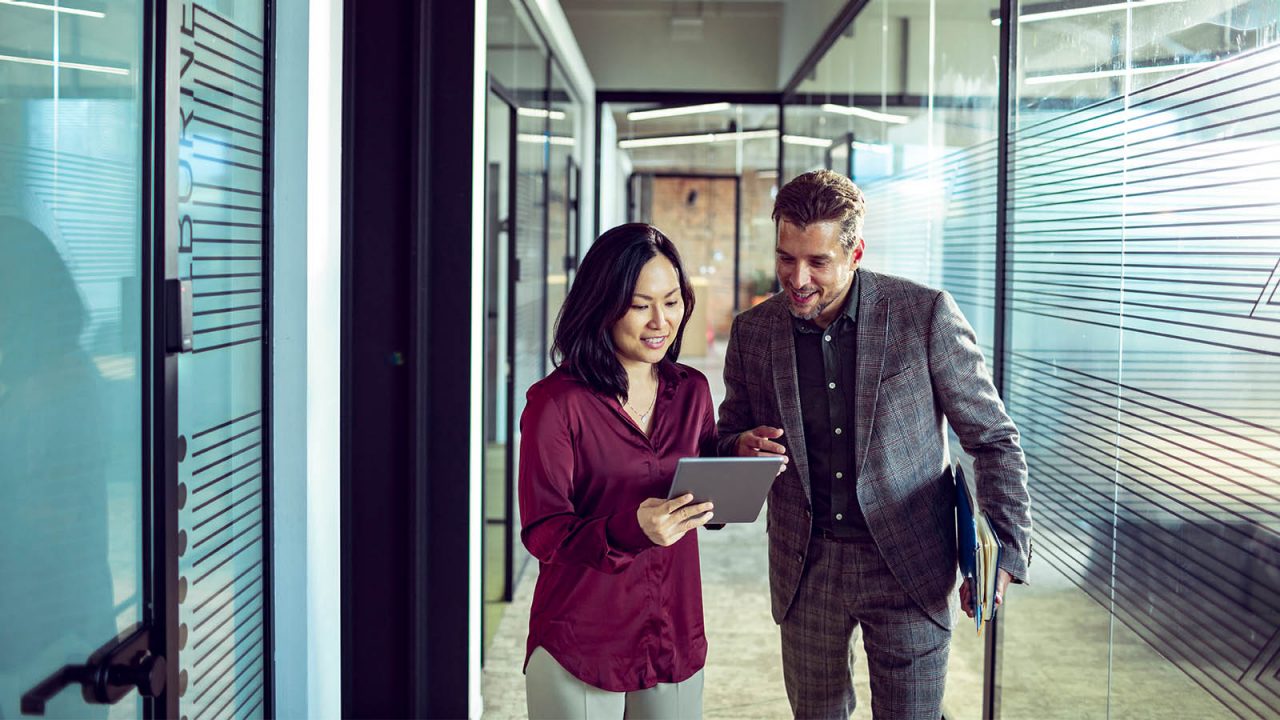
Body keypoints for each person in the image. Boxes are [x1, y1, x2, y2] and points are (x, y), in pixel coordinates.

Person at [716, 170, 1033, 719]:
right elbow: (726, 436)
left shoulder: (924, 314)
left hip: (909, 563)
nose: (797, 278)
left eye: (817, 262)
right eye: (786, 258)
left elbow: (993, 438)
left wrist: (1004, 546)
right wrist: (738, 447)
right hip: (805, 563)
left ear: (855, 250)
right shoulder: (753, 332)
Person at [519, 223, 717, 719]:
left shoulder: (692, 390)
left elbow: (704, 496)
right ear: (602, 304)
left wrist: (742, 460)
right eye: (638, 304)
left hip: (672, 632)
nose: (660, 321)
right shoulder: (556, 404)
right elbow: (544, 532)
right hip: (584, 641)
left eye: (671, 302)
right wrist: (630, 528)